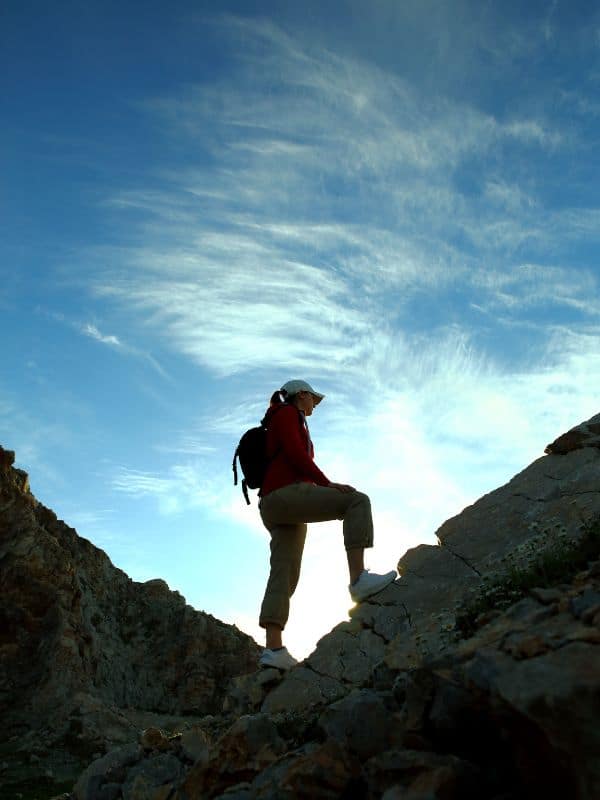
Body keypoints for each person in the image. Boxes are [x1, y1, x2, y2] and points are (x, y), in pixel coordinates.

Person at [257, 379, 397, 670]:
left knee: (284, 571)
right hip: (285, 494)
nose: (315, 406)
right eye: (314, 400)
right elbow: (295, 454)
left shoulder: (281, 418)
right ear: (302, 395)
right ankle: (358, 581)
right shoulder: (287, 414)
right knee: (356, 501)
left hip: (276, 503)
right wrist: (328, 484)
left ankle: (273, 651)